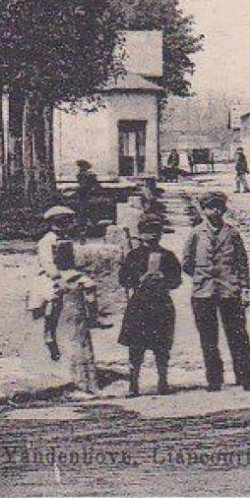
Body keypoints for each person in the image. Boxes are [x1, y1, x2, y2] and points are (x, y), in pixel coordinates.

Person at [182, 191, 250, 393]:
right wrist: (202, 277)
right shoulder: (196, 233)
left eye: (219, 207)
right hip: (203, 293)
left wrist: (244, 288)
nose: (215, 211)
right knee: (208, 338)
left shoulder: (232, 233)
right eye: (211, 207)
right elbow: (187, 263)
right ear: (203, 210)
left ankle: (247, 379)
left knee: (238, 336)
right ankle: (214, 380)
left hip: (229, 291)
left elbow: (242, 262)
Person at [29, 205, 100, 395]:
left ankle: (93, 317)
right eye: (63, 222)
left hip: (68, 273)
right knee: (54, 297)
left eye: (67, 222)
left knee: (90, 285)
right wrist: (58, 278)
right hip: (51, 275)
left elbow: (70, 262)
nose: (67, 226)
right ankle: (49, 332)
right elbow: (48, 263)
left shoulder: (66, 240)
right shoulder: (47, 241)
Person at [117, 214, 182, 397]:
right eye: (147, 231)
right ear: (141, 233)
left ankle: (163, 382)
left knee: (162, 346)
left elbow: (177, 280)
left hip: (161, 304)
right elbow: (123, 279)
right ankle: (133, 384)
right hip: (140, 303)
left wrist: (165, 278)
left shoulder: (168, 256)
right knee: (136, 346)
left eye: (155, 231)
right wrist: (138, 279)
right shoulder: (133, 255)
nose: (152, 236)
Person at [73, 159, 102, 224]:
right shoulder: (88, 175)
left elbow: (85, 186)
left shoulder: (85, 175)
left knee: (84, 210)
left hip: (86, 195)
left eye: (81, 167)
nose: (80, 169)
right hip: (87, 195)